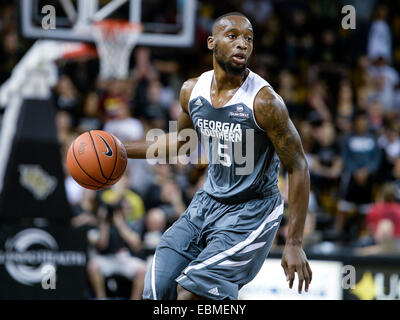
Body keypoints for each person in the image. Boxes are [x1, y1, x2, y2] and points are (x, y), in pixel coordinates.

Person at [123, 12, 312, 300]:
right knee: (156, 290)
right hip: (206, 203)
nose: (242, 44)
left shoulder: (264, 102)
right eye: (233, 36)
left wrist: (295, 241)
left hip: (252, 210)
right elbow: (182, 144)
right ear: (212, 42)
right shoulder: (191, 91)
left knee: (191, 291)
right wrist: (122, 150)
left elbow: (298, 167)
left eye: (248, 38)